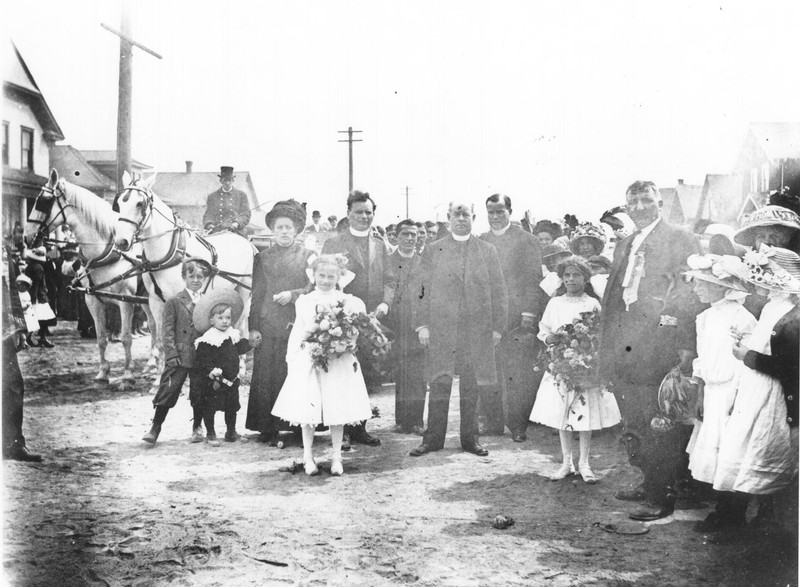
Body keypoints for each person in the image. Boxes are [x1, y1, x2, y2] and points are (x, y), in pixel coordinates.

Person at [599, 180, 703, 521]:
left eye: (647, 200)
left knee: (661, 423)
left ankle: (663, 496)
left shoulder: (679, 238)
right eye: (634, 201)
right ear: (626, 206)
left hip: (659, 343)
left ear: (660, 203)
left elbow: (686, 295)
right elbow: (615, 295)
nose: (640, 206)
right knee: (635, 420)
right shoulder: (626, 242)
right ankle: (647, 482)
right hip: (624, 344)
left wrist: (681, 341)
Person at [410, 200, 508, 458]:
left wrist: (497, 327)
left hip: (475, 330)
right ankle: (432, 439)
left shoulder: (487, 250)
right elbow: (420, 289)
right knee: (439, 382)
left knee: (472, 385)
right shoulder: (434, 250)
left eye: (466, 214)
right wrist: (422, 324)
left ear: (474, 217)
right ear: (448, 218)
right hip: (442, 328)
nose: (461, 218)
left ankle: (469, 439)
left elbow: (499, 290)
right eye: (457, 214)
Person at [710, 247, 800, 530]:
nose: (763, 283)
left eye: (768, 276)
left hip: (773, 392)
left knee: (763, 449)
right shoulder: (772, 306)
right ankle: (735, 516)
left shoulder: (792, 316)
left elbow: (789, 366)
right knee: (743, 448)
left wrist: (746, 356)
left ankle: (765, 520)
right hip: (754, 387)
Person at [272, 255, 373, 476]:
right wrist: (293, 357)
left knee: (337, 407)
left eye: (331, 276)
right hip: (312, 358)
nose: (326, 280)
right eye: (322, 275)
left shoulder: (349, 301)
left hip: (338, 360)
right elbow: (298, 331)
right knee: (309, 408)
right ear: (313, 275)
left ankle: (337, 457)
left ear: (339, 277)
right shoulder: (305, 301)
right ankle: (308, 457)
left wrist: (345, 343)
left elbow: (355, 331)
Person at [680, 254, 756, 532]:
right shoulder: (705, 317)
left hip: (733, 394)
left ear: (724, 288)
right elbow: (703, 358)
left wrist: (736, 398)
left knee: (731, 453)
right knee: (714, 455)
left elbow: (745, 364)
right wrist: (699, 392)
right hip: (712, 392)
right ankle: (721, 511)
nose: (696, 288)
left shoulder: (742, 318)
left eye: (703, 283)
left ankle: (733, 515)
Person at [530, 257, 621, 483]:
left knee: (585, 413)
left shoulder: (593, 303)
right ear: (562, 278)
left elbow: (600, 333)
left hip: (584, 366)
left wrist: (587, 352)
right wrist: (551, 338)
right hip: (561, 365)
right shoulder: (555, 303)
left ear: (585, 278)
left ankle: (584, 463)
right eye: (567, 275)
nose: (571, 279)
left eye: (576, 275)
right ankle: (566, 462)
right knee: (563, 413)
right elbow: (544, 329)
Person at [321, 190, 396, 447]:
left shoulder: (381, 244)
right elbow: (325, 277)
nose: (364, 217)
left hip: (371, 318)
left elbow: (389, 279)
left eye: (368, 212)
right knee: (341, 373)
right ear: (348, 215)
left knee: (364, 373)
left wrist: (386, 302)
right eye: (358, 212)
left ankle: (359, 428)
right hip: (341, 317)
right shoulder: (334, 243)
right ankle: (339, 431)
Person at [246, 200, 314, 445]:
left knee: (296, 374)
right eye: (279, 228)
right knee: (267, 375)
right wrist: (253, 326)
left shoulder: (308, 257)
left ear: (297, 230)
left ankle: (298, 426)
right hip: (268, 322)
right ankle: (267, 426)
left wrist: (293, 295)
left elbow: (313, 287)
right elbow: (258, 293)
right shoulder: (262, 258)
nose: (284, 232)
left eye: (288, 227)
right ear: (273, 231)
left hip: (298, 323)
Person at [478, 194, 544, 441]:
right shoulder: (481, 241)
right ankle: (493, 423)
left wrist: (529, 313)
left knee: (517, 373)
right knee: (489, 371)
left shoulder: (527, 240)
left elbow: (532, 280)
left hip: (517, 317)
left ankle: (518, 426)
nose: (495, 217)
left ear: (510, 211)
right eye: (491, 212)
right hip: (488, 317)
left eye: (500, 212)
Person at [142, 259, 210, 445]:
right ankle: (155, 427)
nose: (196, 280)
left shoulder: (208, 301)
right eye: (192, 276)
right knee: (168, 389)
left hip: (200, 356)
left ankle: (197, 427)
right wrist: (171, 354)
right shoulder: (173, 301)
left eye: (200, 277)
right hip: (179, 356)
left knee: (199, 392)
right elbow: (167, 330)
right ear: (183, 277)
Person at [193, 290, 251, 447]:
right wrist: (211, 370)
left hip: (231, 380)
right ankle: (211, 433)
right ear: (212, 320)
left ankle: (231, 431)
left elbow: (239, 347)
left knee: (232, 406)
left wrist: (250, 343)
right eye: (220, 318)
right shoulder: (207, 339)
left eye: (228, 318)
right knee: (210, 407)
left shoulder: (233, 334)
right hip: (215, 381)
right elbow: (203, 359)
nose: (225, 321)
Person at [387, 220, 426, 435]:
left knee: (418, 374)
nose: (410, 238)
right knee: (401, 372)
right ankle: (402, 420)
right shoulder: (388, 261)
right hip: (396, 324)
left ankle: (417, 420)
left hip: (418, 325)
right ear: (396, 236)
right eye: (405, 235)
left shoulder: (424, 262)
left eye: (413, 235)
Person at [2, 250, 42, 461]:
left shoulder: (2, 249)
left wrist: (20, 329)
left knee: (13, 385)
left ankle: (13, 444)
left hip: (3, 333)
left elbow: (11, 293)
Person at [202, 166, 251, 235]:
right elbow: (208, 214)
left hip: (236, 232)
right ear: (221, 181)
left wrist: (236, 223)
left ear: (233, 181)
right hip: (217, 232)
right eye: (225, 180)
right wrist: (209, 224)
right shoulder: (212, 196)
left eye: (229, 180)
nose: (227, 183)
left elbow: (246, 214)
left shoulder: (241, 195)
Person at [24, 247, 56, 348]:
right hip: (39, 296)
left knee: (36, 317)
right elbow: (36, 284)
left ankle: (32, 337)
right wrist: (35, 296)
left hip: (34, 294)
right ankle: (40, 338)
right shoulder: (38, 268)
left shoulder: (30, 266)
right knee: (43, 317)